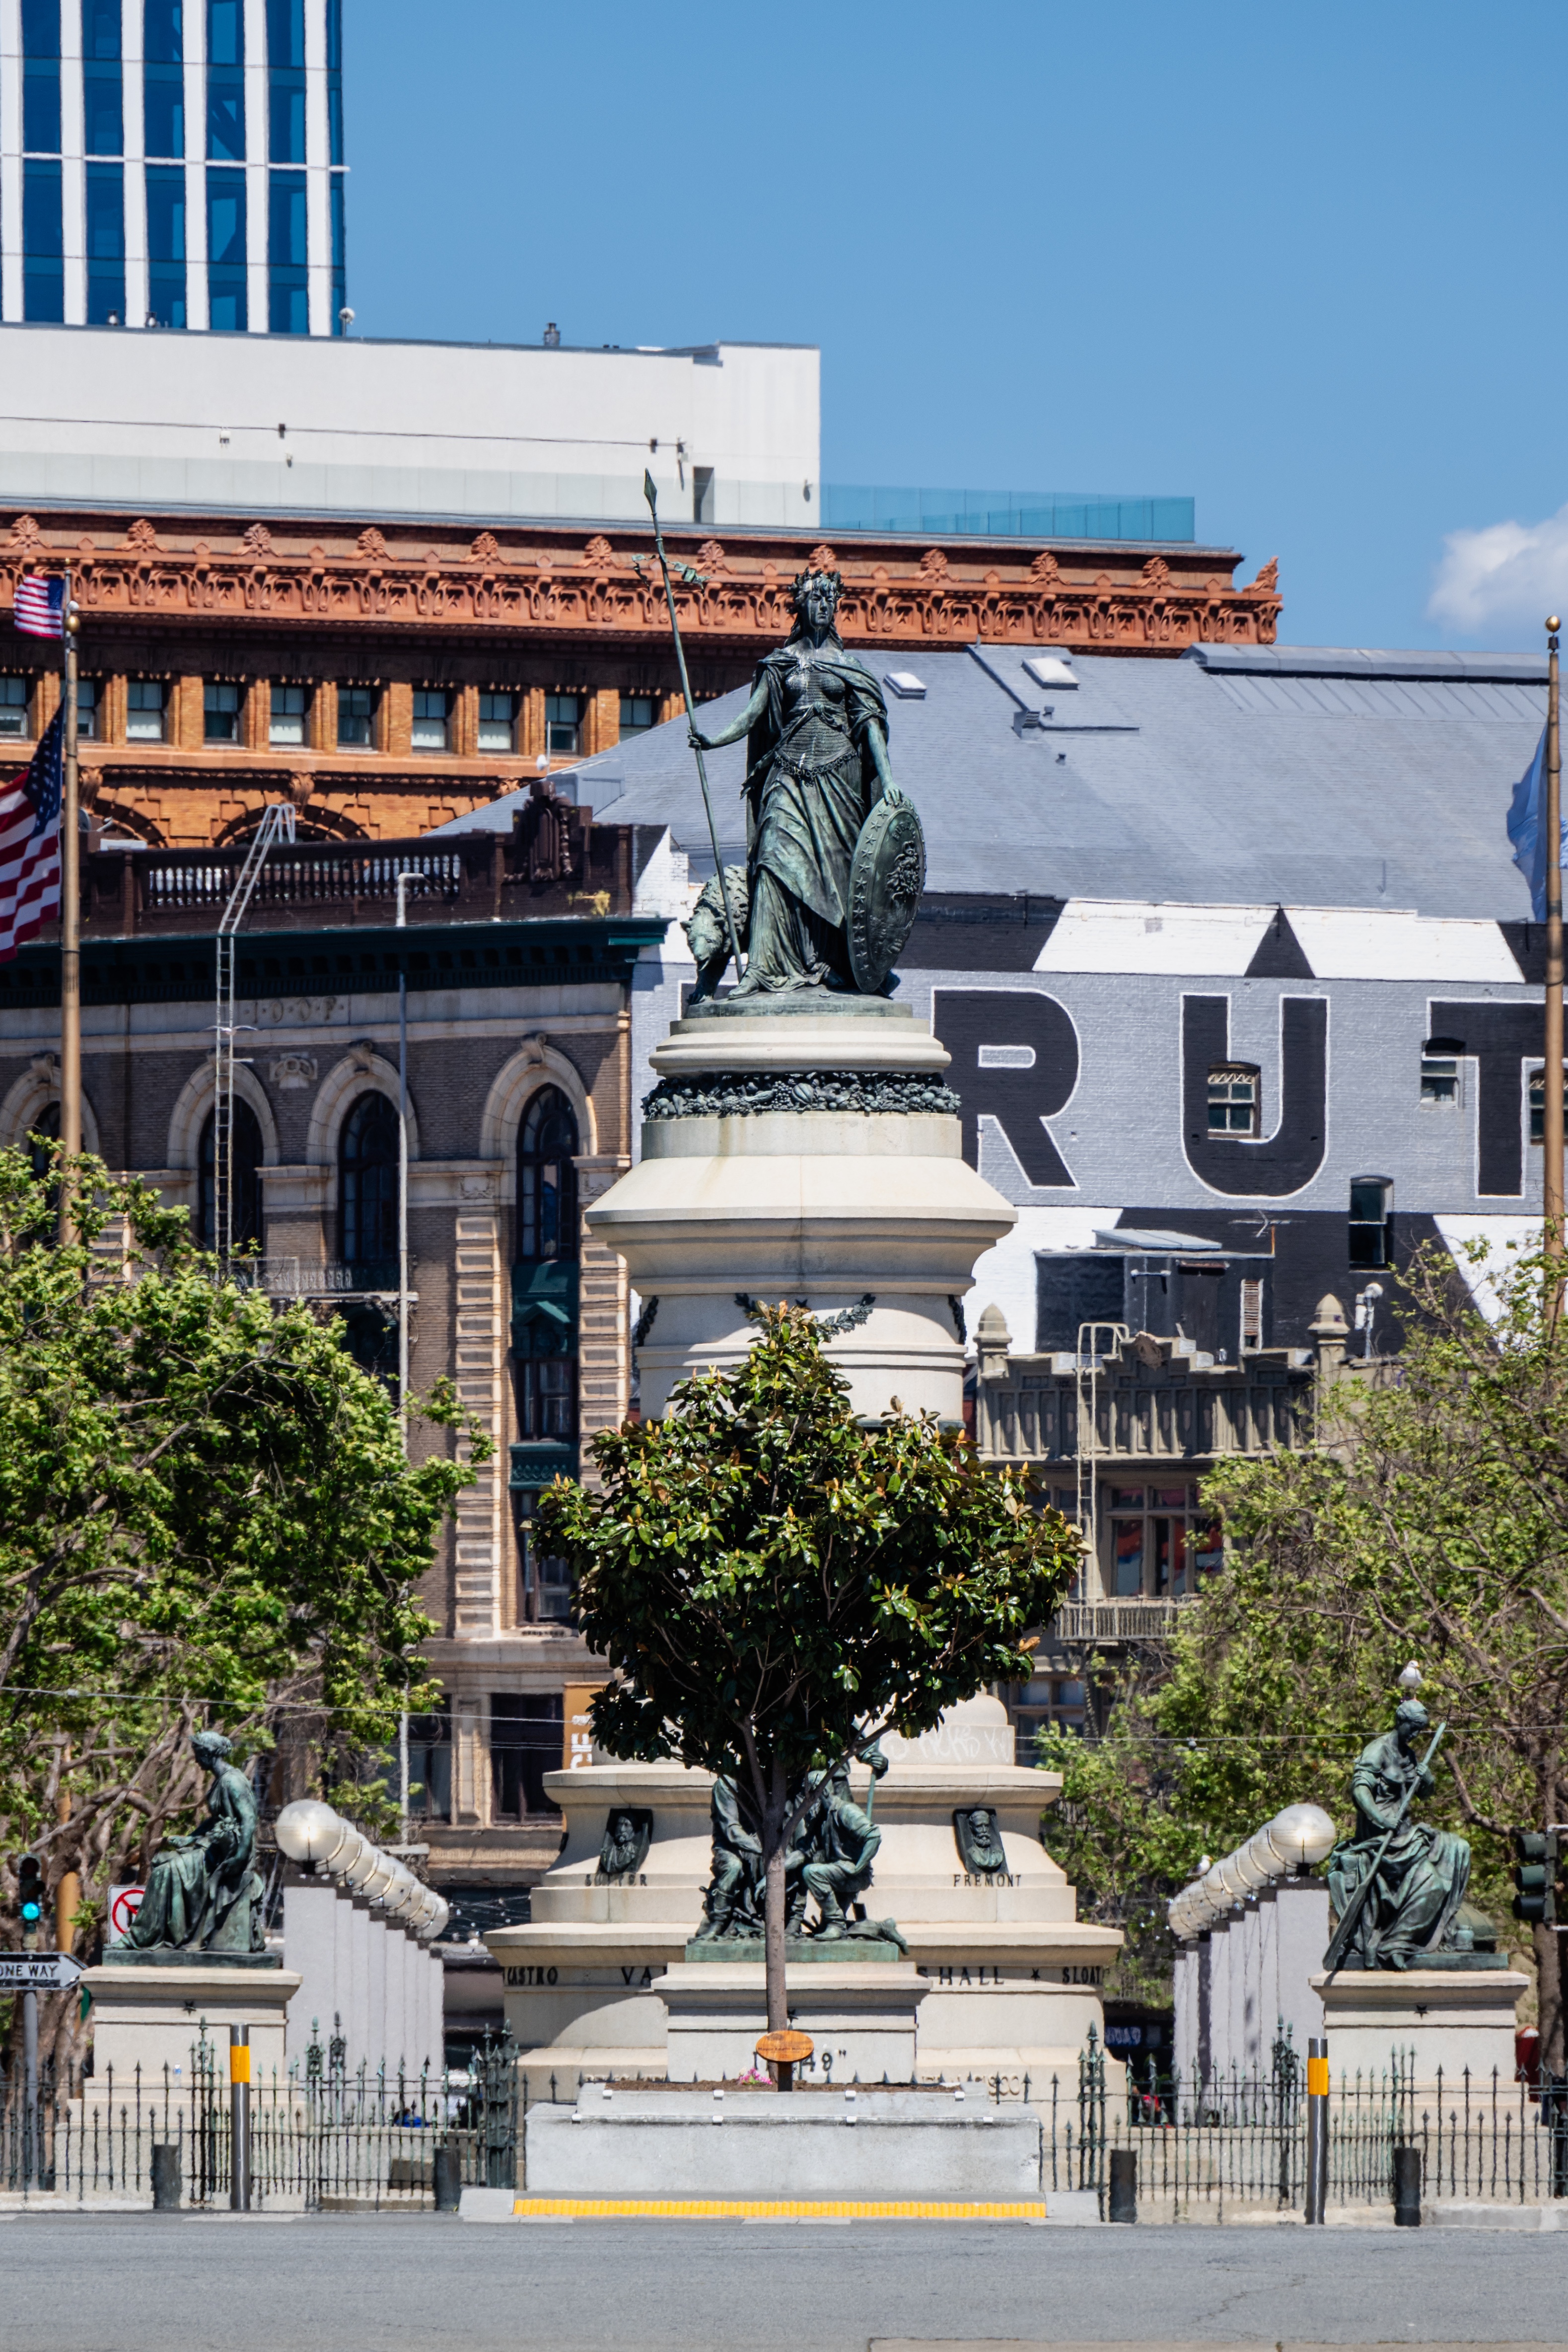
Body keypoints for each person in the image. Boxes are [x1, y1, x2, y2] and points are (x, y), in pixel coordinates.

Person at [688, 569, 906, 996]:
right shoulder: (780, 663)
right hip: (788, 773)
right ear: (799, 606)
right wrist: (713, 740)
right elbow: (753, 716)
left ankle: (831, 965)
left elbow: (869, 727)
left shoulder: (850, 669)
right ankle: (763, 967)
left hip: (840, 780)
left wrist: (889, 779)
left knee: (839, 874)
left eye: (829, 599)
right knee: (772, 858)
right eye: (814, 598)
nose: (823, 605)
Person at [1326, 1700, 1471, 1968]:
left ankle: (1397, 1943)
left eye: (1421, 1730)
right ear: (1401, 1722)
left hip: (1406, 1836)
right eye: (1414, 1728)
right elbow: (1360, 1791)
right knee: (1436, 1879)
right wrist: (1381, 1819)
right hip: (1381, 1839)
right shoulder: (1377, 1750)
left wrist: (1427, 1780)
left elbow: (1425, 1794)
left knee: (1450, 1863)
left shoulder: (1410, 1755)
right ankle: (1387, 1940)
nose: (1417, 1735)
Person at [124, 1729, 265, 1954]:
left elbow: (249, 1819)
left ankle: (142, 1937)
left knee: (165, 1872)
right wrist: (189, 1839)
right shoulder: (220, 1781)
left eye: (198, 1753)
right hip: (214, 1846)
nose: (197, 1760)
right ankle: (157, 1934)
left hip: (228, 1854)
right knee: (162, 1861)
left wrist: (239, 1857)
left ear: (208, 1754)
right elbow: (215, 1821)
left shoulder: (232, 1781)